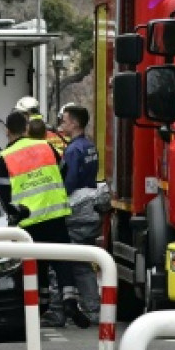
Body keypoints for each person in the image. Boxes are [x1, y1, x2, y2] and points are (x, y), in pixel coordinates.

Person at [1, 110, 90, 329]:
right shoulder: (46, 146)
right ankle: (69, 300)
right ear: (26, 129)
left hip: (28, 218)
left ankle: (41, 307)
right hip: (55, 212)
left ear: (7, 132)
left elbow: (3, 192)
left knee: (36, 265)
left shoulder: (5, 156)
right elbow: (62, 170)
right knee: (62, 260)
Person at [57, 104, 101, 321]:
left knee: (77, 262)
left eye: (65, 120)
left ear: (74, 123)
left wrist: (59, 200)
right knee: (85, 258)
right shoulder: (89, 146)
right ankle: (91, 306)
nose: (62, 124)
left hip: (76, 208)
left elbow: (70, 179)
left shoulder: (73, 149)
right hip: (89, 205)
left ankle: (91, 308)